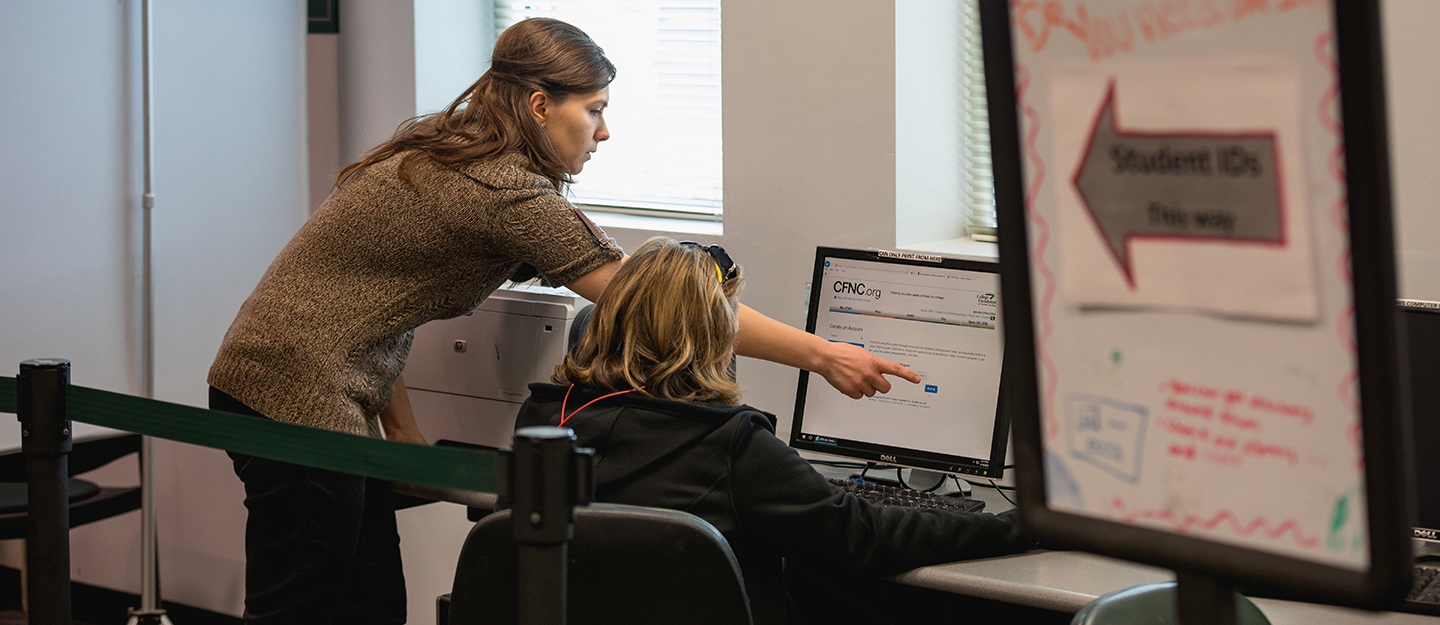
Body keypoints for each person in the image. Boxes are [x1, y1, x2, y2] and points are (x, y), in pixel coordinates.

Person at [207, 17, 918, 624]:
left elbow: (372, 305)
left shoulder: (454, 149)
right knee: (302, 606)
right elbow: (659, 300)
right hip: (291, 391)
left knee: (367, 601)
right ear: (541, 105)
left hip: (299, 379)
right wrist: (823, 354)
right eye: (595, 110)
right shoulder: (504, 191)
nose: (605, 131)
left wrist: (404, 435)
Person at [515, 237, 1035, 625]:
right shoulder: (730, 448)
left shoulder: (543, 422)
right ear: (717, 337)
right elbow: (865, 535)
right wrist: (1026, 524)